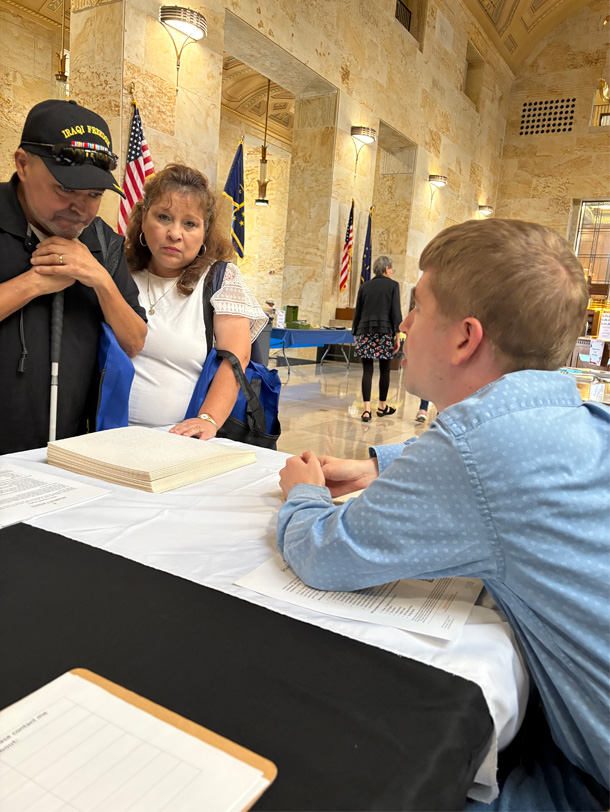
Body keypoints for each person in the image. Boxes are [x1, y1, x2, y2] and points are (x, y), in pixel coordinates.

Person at [277, 219, 609, 810]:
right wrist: (385, 466)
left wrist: (302, 492)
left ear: (464, 338)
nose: (403, 324)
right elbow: (508, 469)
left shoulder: (473, 444)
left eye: (418, 306)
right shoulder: (573, 414)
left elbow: (325, 554)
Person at [0, 99, 147, 455]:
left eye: (94, 195)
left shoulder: (104, 244)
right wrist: (33, 284)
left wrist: (98, 277)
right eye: (65, 189)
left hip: (74, 456)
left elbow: (134, 342)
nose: (80, 209)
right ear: (23, 164)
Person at [125, 163, 267, 440]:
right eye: (164, 217)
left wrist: (207, 419)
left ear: (205, 230)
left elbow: (237, 358)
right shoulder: (120, 272)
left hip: (180, 440)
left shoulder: (219, 280)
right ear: (144, 216)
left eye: (189, 223)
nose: (175, 234)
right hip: (107, 434)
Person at [352, 255, 402, 422]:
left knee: (367, 370)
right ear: (387, 269)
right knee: (384, 370)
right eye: (392, 269)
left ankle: (366, 410)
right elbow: (396, 312)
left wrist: (355, 333)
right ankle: (381, 406)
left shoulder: (365, 286)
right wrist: (398, 335)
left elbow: (357, 312)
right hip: (385, 331)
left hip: (364, 331)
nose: (392, 271)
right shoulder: (393, 286)